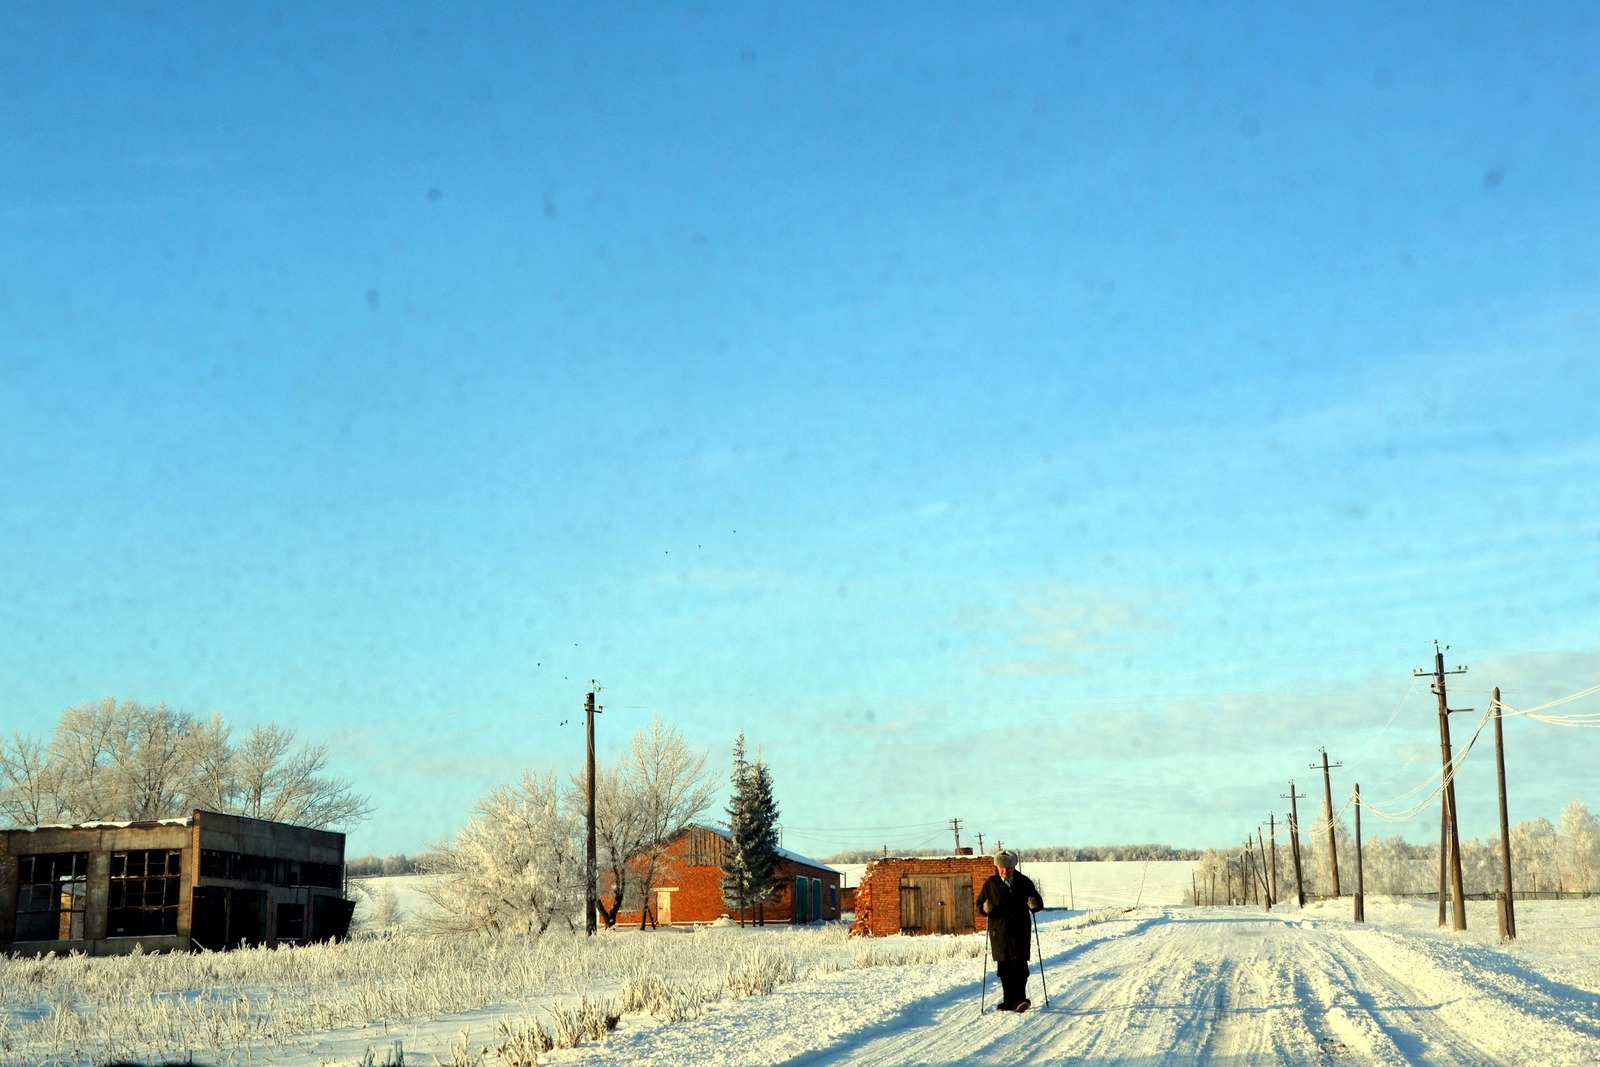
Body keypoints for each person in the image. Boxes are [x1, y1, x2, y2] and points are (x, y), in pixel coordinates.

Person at [977, 847, 1043, 1012]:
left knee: (1020, 967)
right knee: (1004, 969)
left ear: (1014, 867)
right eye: (1002, 868)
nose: (1005, 871)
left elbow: (1038, 903)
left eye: (1009, 868)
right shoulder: (990, 884)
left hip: (1020, 931)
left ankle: (1020, 1000)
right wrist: (985, 908)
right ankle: (1008, 1001)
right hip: (999, 933)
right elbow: (979, 906)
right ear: (997, 868)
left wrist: (1034, 904)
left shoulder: (1024, 882)